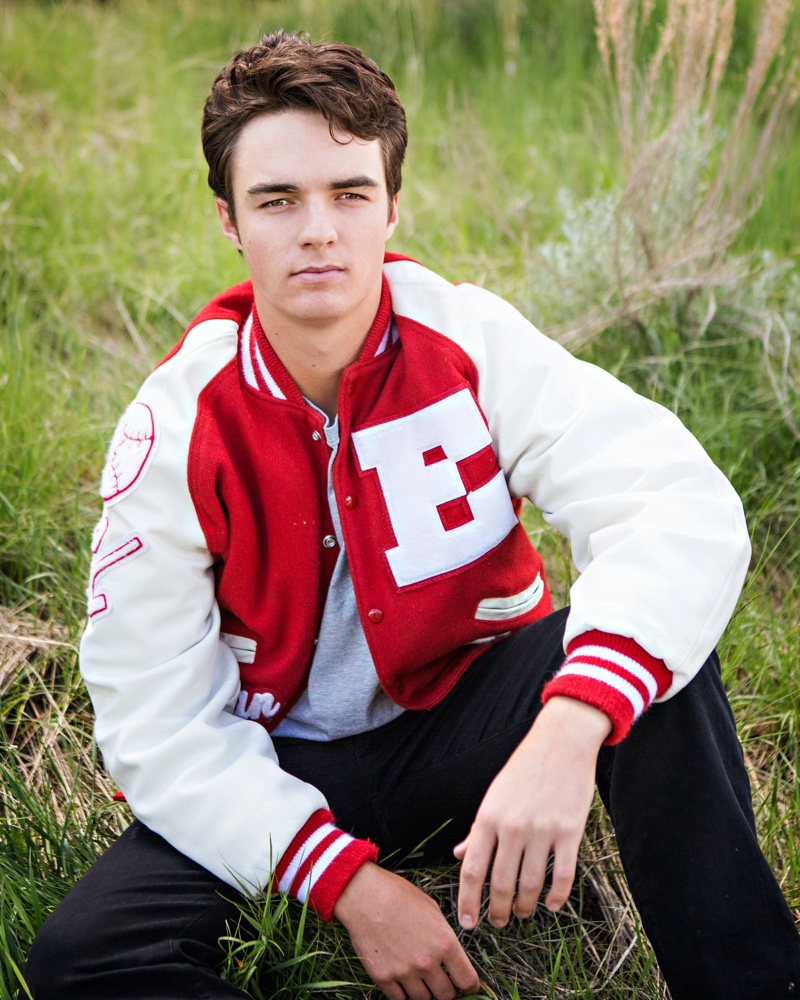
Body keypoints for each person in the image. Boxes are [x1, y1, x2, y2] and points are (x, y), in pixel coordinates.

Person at [25, 30, 800, 1000]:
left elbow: (671, 501)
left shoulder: (466, 339)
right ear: (227, 219)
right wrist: (346, 883)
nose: (319, 230)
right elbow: (153, 717)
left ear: (392, 204)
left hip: (470, 724)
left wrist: (567, 727)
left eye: (349, 193)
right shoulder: (177, 425)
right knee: (82, 959)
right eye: (278, 200)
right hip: (280, 768)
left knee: (656, 658)